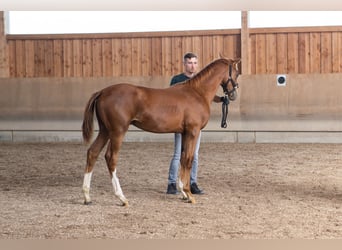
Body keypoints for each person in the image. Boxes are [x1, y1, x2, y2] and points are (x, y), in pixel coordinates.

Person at [166, 52, 225, 195]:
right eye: (189, 63)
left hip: (195, 121)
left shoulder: (202, 79)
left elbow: (207, 97)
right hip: (180, 121)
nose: (192, 66)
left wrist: (221, 100)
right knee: (177, 153)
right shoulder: (177, 79)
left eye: (194, 63)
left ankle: (192, 182)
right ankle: (172, 183)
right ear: (184, 64)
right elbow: (171, 97)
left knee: (195, 154)